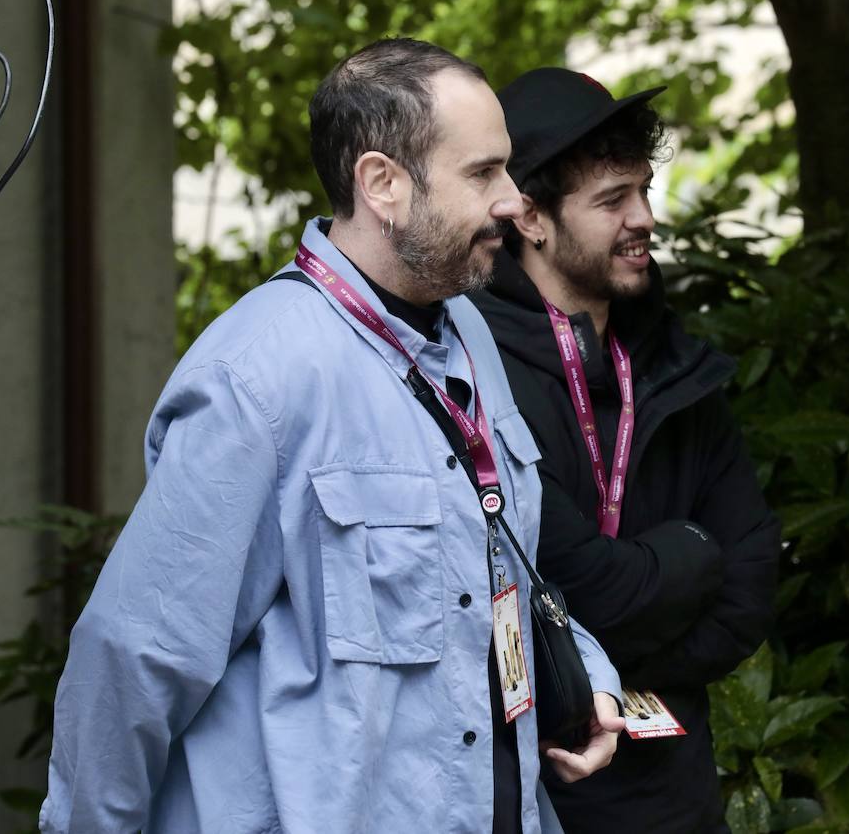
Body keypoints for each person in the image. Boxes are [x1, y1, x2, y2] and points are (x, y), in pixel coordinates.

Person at [39, 40, 624, 834]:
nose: (515, 201)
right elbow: (132, 661)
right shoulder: (257, 375)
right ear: (383, 182)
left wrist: (586, 673)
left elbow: (492, 566)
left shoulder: (468, 336)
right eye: (483, 173)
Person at [471, 67, 781, 833]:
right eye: (612, 200)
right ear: (532, 219)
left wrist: (600, 675)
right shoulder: (476, 375)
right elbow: (580, 585)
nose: (643, 217)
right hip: (541, 797)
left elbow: (750, 588)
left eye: (643, 190)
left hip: (678, 795)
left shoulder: (678, 369)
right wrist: (687, 561)